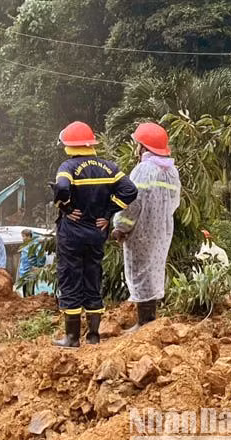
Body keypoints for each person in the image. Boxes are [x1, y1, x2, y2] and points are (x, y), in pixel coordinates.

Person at [52, 121, 137, 348]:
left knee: (71, 279)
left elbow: (61, 188)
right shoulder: (109, 167)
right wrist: (109, 212)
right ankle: (93, 335)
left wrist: (67, 208)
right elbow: (130, 191)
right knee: (93, 278)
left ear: (69, 145)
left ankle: (71, 337)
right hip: (96, 233)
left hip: (72, 234)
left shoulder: (67, 168)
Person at [112, 122, 180, 333]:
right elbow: (174, 202)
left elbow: (132, 203)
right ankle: (149, 320)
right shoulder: (171, 171)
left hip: (141, 231)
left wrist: (121, 227)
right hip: (162, 230)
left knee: (140, 273)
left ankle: (144, 323)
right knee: (153, 271)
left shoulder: (143, 170)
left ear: (142, 146)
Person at [18, 229, 46, 297]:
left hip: (30, 271)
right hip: (24, 272)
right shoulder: (26, 245)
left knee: (30, 292)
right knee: (25, 291)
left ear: (29, 237)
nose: (23, 238)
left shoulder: (35, 245)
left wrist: (38, 266)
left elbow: (41, 256)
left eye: (24, 236)